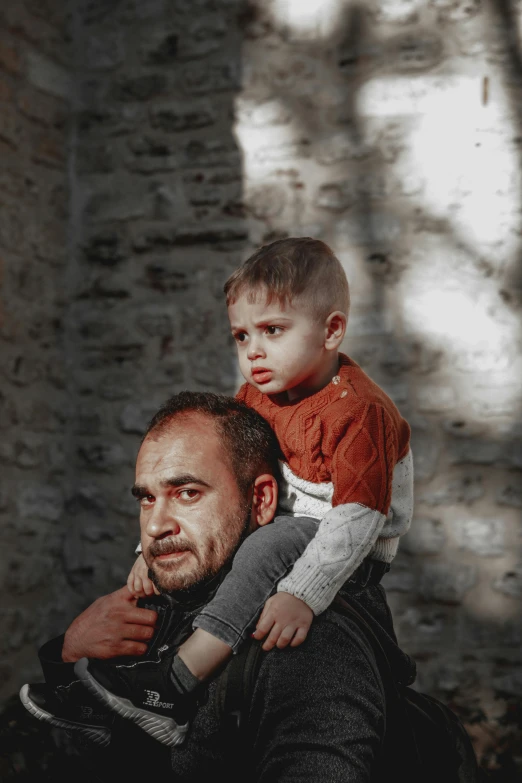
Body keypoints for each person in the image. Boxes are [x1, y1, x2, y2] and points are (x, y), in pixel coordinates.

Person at [83, 237, 414, 746]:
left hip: (348, 543)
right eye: (241, 336)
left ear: (331, 331)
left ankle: (177, 683)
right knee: (212, 553)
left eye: (273, 330)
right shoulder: (257, 397)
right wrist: (148, 553)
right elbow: (227, 479)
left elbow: (359, 517)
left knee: (263, 546)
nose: (253, 350)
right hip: (285, 523)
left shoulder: (359, 410)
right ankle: (116, 693)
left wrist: (302, 593)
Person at [21, 392, 416, 782]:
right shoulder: (160, 608)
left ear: (262, 500)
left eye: (187, 493)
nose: (156, 525)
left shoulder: (301, 642)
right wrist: (69, 655)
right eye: (146, 498)